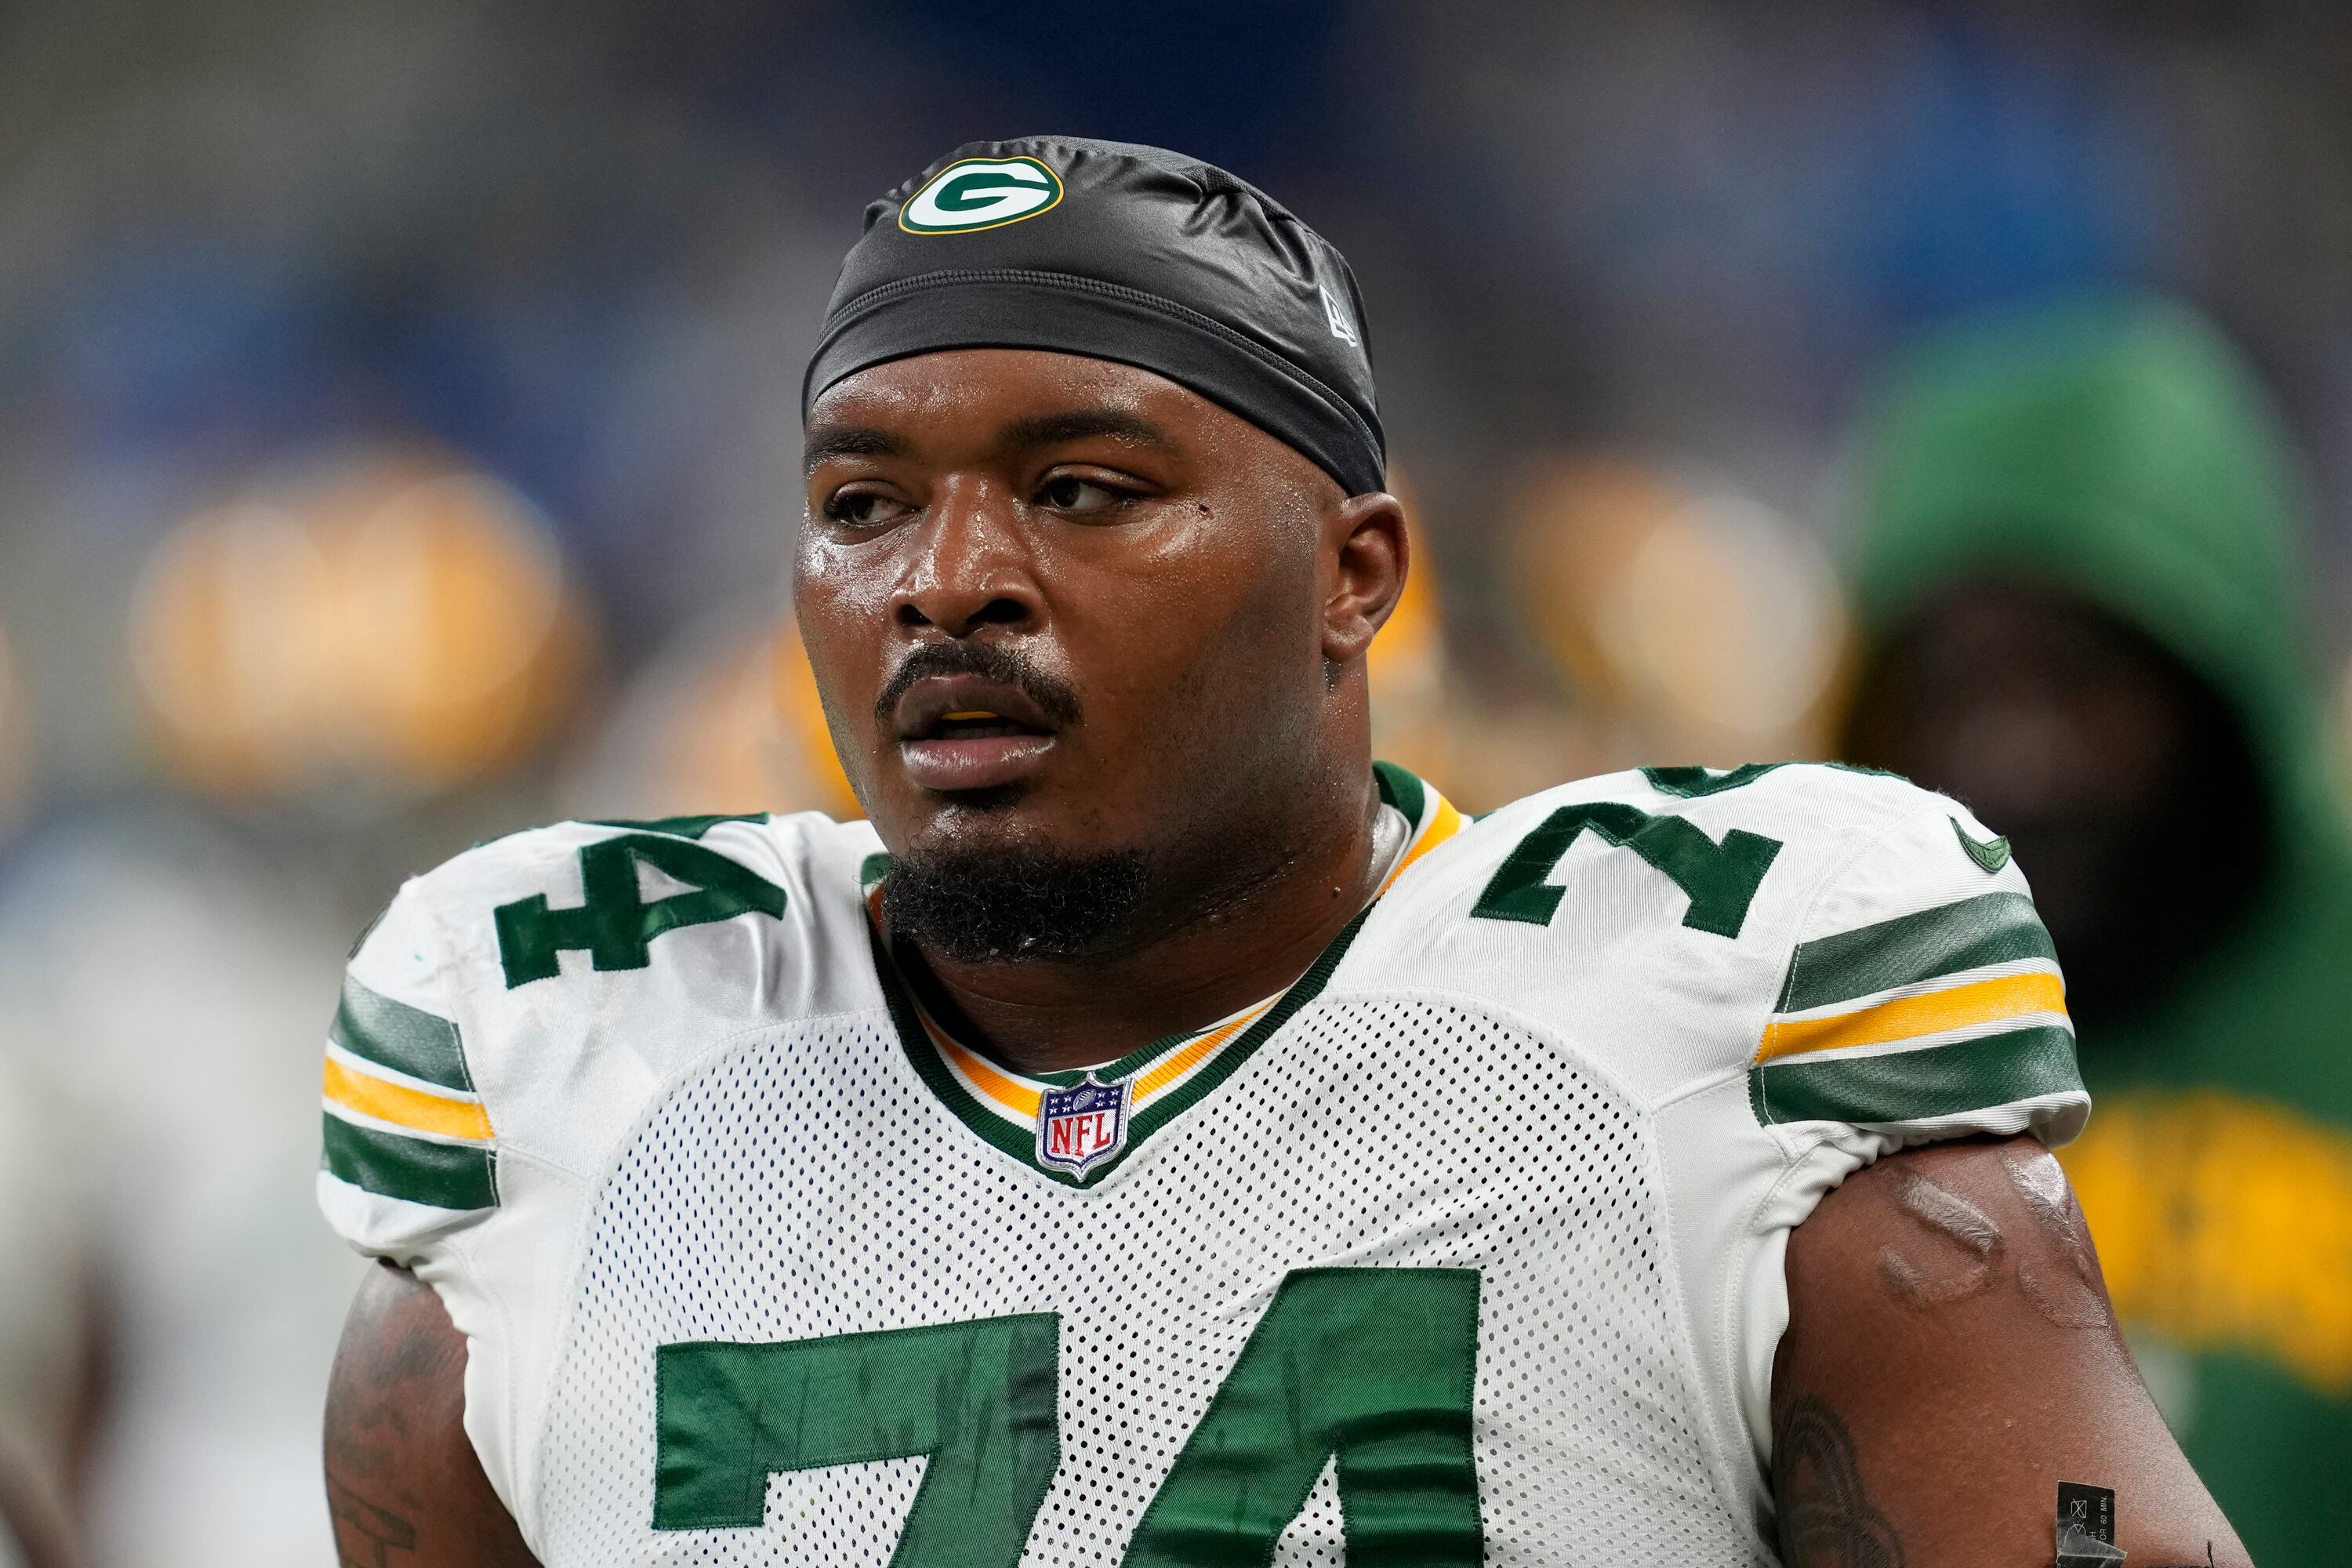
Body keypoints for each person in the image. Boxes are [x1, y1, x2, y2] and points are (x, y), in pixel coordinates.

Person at [316, 139, 2243, 1565]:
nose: (947, 580)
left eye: (1083, 489)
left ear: (1356, 576)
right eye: (863, 503)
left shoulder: (1706, 1007)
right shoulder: (575, 1060)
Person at [1841, 293, 2352, 1566]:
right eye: (1956, 689)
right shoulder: (1819, 1039)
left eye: (2084, 681)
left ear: (2218, 682)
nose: (2022, 762)